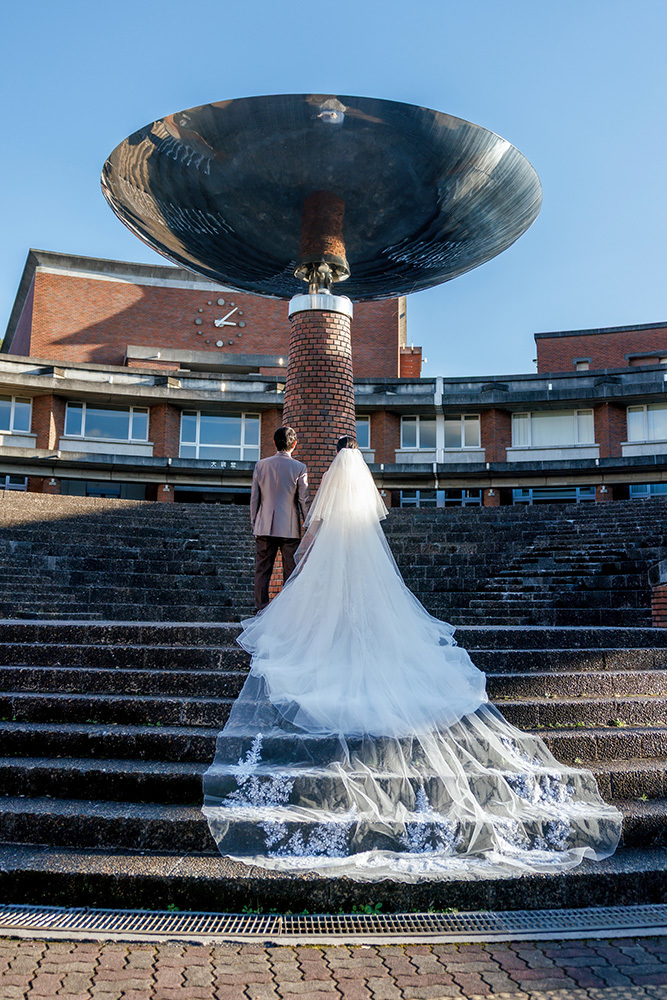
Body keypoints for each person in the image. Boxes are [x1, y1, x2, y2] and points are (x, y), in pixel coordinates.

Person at [203, 436, 622, 882]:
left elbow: (306, 515)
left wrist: (303, 540)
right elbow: (341, 516)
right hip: (351, 551)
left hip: (294, 538)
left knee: (295, 589)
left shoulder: (304, 476)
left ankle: (288, 619)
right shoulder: (343, 491)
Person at [250, 425, 309, 612]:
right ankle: (288, 611)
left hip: (264, 527)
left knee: (262, 570)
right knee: (290, 571)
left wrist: (255, 524)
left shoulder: (261, 465)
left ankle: (260, 609)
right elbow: (303, 500)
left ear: (274, 443)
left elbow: (254, 499)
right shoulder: (299, 468)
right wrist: (307, 524)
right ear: (295, 444)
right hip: (289, 528)